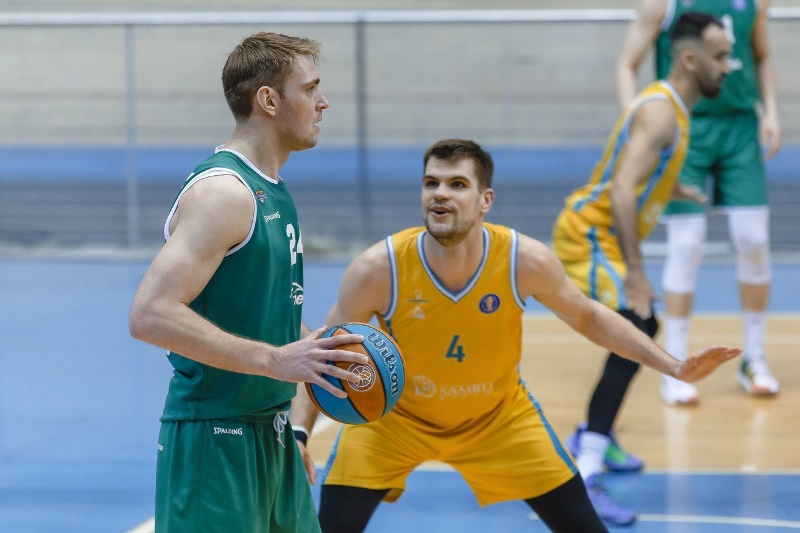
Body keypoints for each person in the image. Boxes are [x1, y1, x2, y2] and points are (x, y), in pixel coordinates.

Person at [289, 137, 740, 532]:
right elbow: (324, 354)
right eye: (431, 183)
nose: (440, 193)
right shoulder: (378, 268)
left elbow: (589, 317)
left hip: (499, 420)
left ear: (485, 200)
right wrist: (300, 433)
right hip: (395, 423)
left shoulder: (524, 260)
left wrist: (673, 367)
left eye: (457, 184)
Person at [128, 32, 370, 533]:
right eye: (310, 89)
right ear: (268, 100)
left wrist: (322, 351)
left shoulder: (272, 190)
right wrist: (276, 361)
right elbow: (150, 314)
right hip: (215, 438)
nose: (323, 102)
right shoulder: (225, 192)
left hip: (273, 433)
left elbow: (262, 312)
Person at [557, 12, 732, 525]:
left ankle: (596, 436)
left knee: (636, 331)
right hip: (589, 234)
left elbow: (640, 170)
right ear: (690, 59)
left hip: (602, 235)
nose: (728, 67)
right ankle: (585, 470)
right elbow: (620, 190)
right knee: (637, 325)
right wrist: (636, 272)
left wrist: (674, 188)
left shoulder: (674, 109)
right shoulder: (660, 113)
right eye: (721, 56)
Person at [617, 0, 782, 405]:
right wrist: (639, 121)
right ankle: (676, 364)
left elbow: (762, 55)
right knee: (686, 244)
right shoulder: (662, 5)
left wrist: (772, 113)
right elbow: (625, 63)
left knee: (754, 240)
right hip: (686, 126)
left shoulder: (755, 4)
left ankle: (754, 358)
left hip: (740, 127)